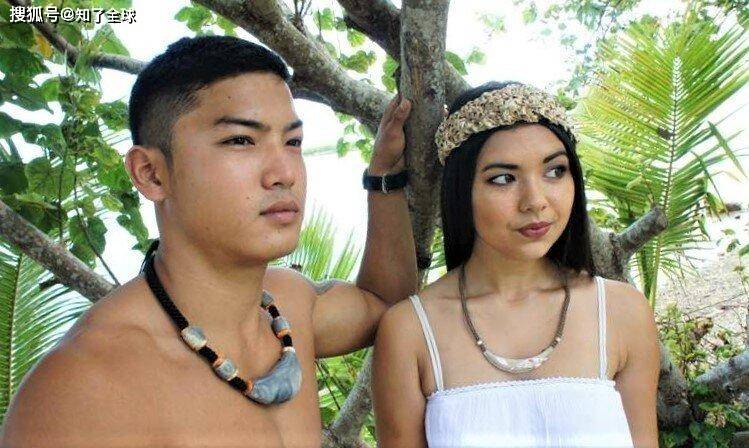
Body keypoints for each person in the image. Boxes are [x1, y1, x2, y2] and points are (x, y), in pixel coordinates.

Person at [1, 36, 417, 447]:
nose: (284, 174)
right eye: (240, 140)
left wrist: (384, 176)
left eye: (292, 142)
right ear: (151, 174)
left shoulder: (288, 309)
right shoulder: (83, 388)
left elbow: (387, 303)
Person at [372, 81, 659, 447]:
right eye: (504, 179)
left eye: (555, 171)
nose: (535, 201)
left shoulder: (622, 312)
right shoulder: (410, 330)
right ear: (461, 190)